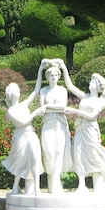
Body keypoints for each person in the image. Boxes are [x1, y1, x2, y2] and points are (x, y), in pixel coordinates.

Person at [64, 69, 105, 193]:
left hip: (91, 130)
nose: (90, 83)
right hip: (81, 129)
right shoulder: (84, 96)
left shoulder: (100, 101)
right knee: (78, 154)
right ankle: (81, 184)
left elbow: (92, 116)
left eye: (93, 81)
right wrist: (63, 68)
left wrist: (74, 111)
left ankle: (103, 174)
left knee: (94, 154)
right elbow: (70, 86)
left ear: (97, 86)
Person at [1, 82, 45, 195]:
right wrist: (35, 112)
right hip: (21, 135)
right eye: (13, 91)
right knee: (19, 162)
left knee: (36, 157)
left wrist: (40, 70)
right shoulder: (11, 110)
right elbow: (23, 122)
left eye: (17, 90)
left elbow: (35, 92)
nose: (16, 93)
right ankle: (16, 185)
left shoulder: (23, 105)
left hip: (30, 133)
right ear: (9, 95)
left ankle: (37, 188)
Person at [37, 58, 72, 194]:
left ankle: (56, 183)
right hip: (47, 123)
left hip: (60, 123)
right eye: (51, 75)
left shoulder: (62, 90)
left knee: (59, 151)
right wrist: (49, 107)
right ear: (47, 77)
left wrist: (47, 106)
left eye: (56, 75)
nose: (54, 77)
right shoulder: (44, 91)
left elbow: (63, 107)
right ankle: (51, 181)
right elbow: (42, 109)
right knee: (49, 152)